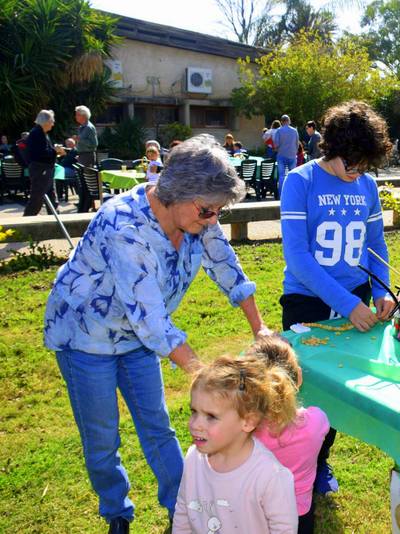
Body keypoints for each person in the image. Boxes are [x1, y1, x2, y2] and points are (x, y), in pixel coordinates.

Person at [43, 134, 280, 534]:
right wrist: (211, 383)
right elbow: (152, 321)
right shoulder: (125, 225)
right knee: (102, 441)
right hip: (84, 337)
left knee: (157, 426)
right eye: (208, 211)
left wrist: (260, 328)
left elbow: (225, 264)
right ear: (180, 194)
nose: (212, 220)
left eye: (217, 211)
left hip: (137, 338)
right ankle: (117, 513)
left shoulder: (200, 215)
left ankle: (183, 511)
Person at [280, 100, 395, 497]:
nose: (359, 171)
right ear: (332, 147)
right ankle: (292, 465)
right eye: (353, 161)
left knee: (341, 392)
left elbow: (377, 246)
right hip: (307, 302)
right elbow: (297, 257)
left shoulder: (367, 185)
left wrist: (381, 291)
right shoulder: (300, 181)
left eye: (366, 163)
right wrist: (348, 304)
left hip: (359, 299)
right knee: (302, 390)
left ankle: (320, 459)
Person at [173, 356, 298, 533]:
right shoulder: (194, 458)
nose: (195, 424)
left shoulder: (269, 476)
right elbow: (183, 511)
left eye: (211, 416)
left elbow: (284, 529)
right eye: (194, 412)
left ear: (248, 422)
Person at [248, 336, 330, 534]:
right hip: (300, 511)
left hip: (257, 512)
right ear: (299, 378)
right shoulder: (317, 420)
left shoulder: (245, 431)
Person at [23, 110, 63, 216]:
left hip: (46, 169)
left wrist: (55, 151)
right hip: (40, 170)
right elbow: (42, 154)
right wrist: (55, 150)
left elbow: (45, 152)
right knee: (36, 199)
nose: (53, 124)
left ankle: (55, 222)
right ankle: (25, 222)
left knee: (52, 199)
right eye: (52, 121)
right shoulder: (37, 133)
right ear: (46, 122)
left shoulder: (41, 133)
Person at [273, 114, 299, 194]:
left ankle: (282, 194)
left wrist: (277, 149)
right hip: (292, 155)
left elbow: (276, 144)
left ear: (282, 122)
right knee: (293, 175)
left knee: (281, 176)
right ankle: (293, 193)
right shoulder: (294, 131)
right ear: (289, 121)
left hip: (281, 155)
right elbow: (297, 144)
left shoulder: (278, 131)